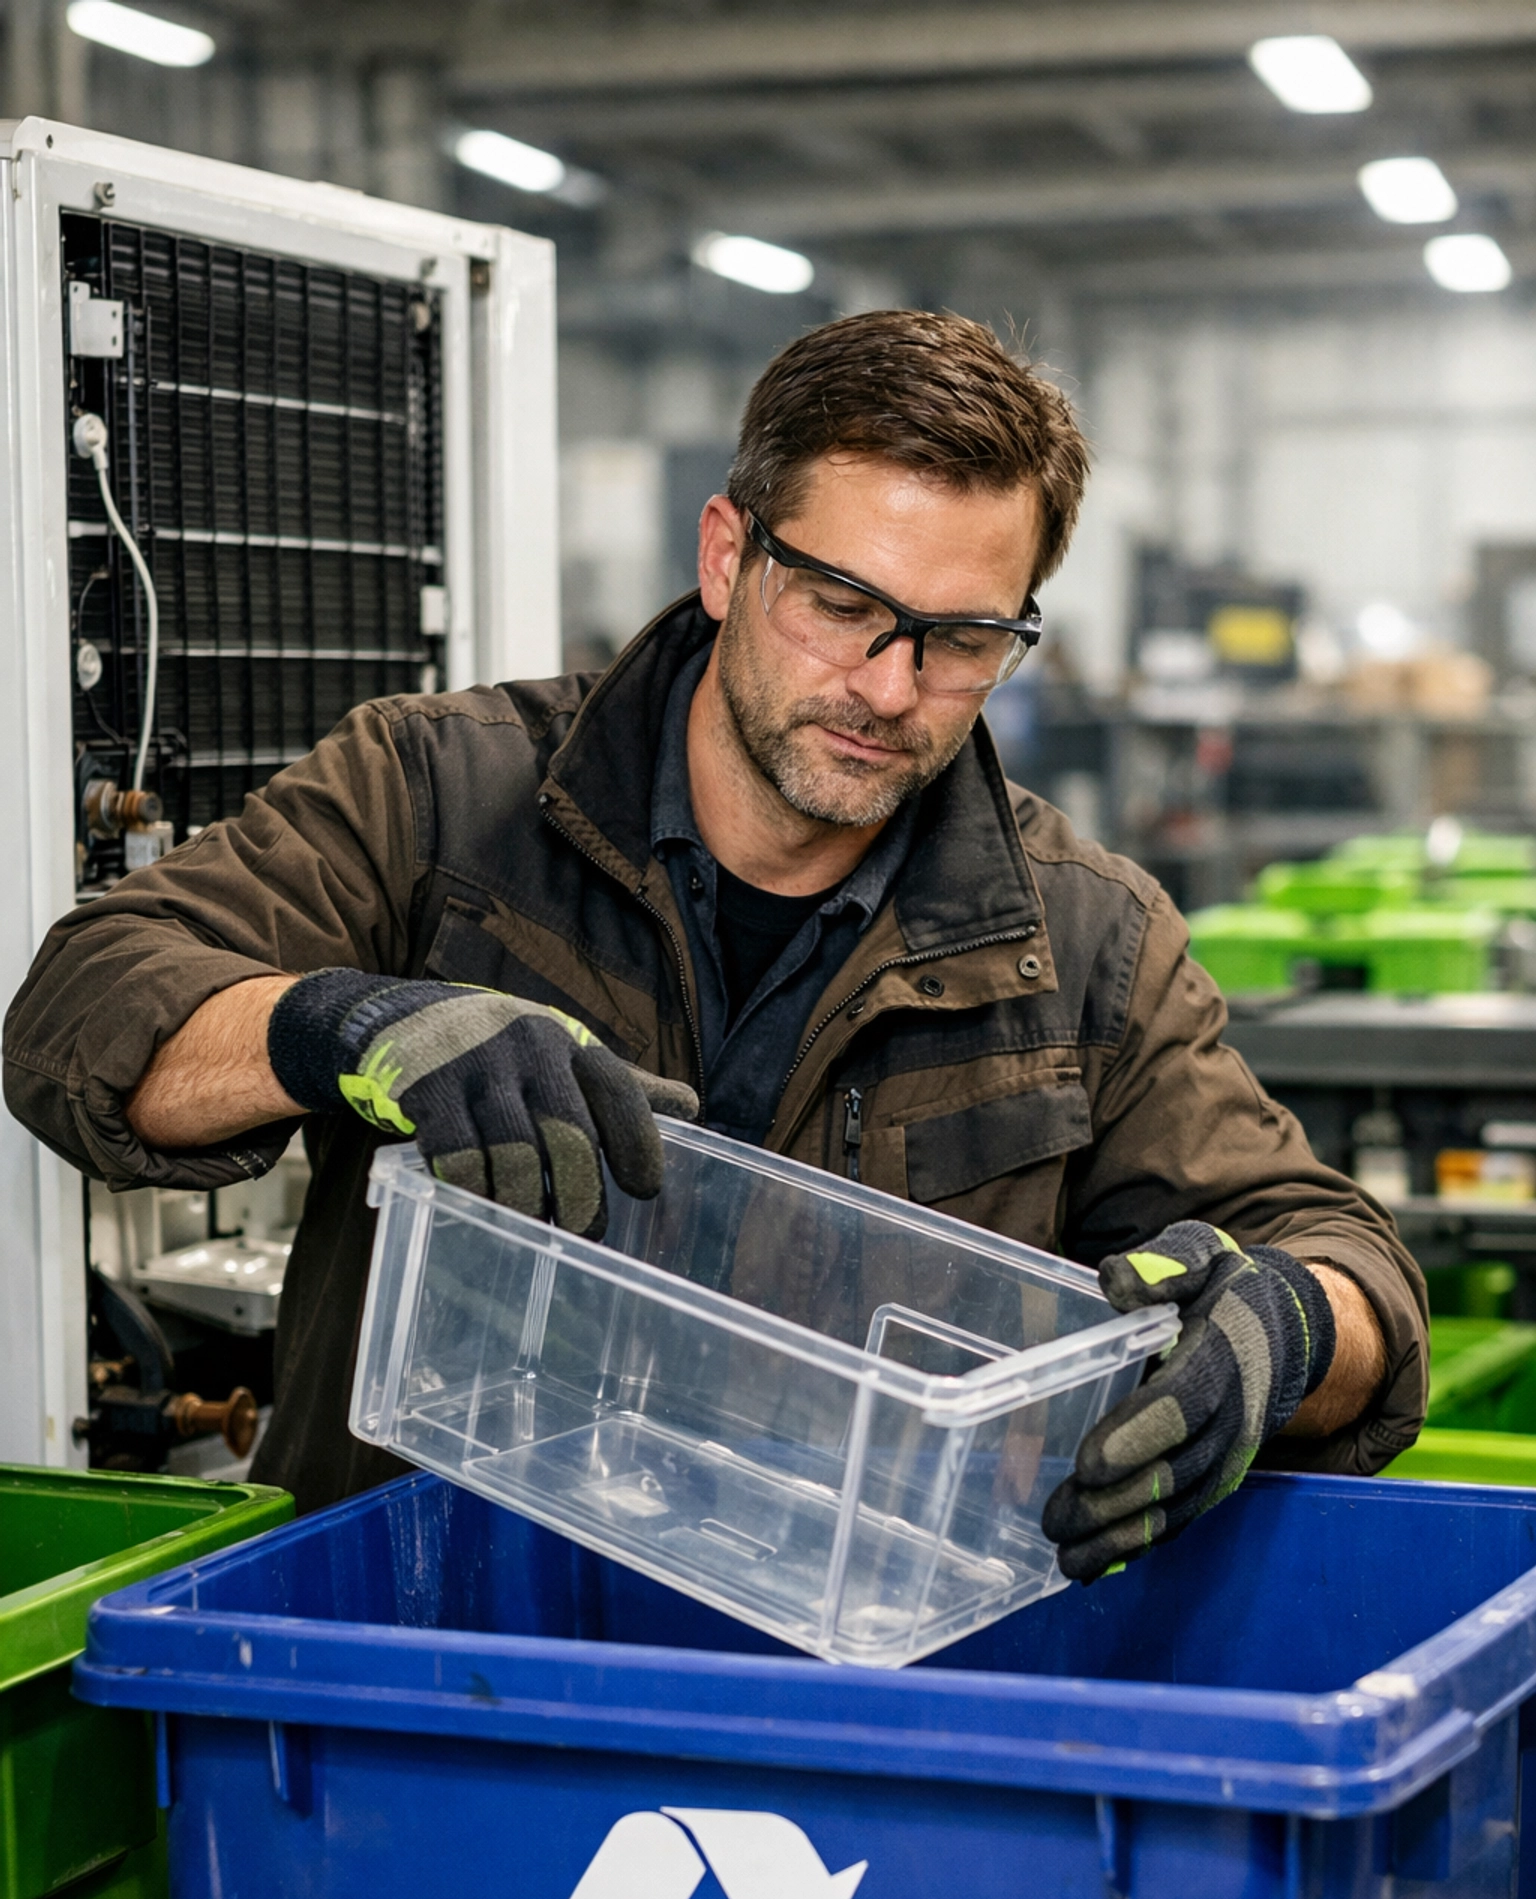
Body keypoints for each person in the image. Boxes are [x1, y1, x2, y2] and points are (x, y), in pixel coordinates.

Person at [4, 310, 1426, 1573]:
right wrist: (348, 1030)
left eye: (963, 637)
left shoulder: (1085, 937)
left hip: (846, 1681)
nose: (889, 685)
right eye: (844, 605)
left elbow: (1333, 1252)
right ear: (728, 555)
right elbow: (89, 1010)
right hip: (429, 1649)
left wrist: (1289, 1331)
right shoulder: (442, 795)